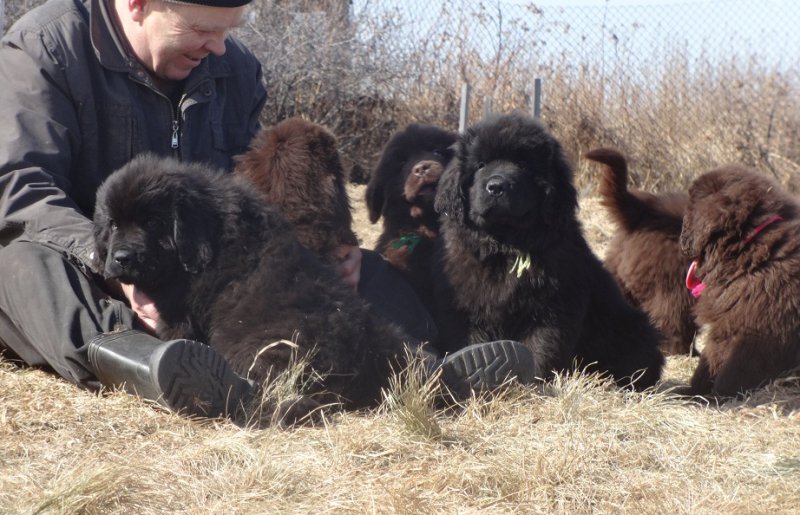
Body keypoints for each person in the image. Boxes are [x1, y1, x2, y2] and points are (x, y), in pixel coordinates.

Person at [0, 0, 535, 421]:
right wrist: (111, 264)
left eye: (227, 30)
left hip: (213, 275)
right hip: (90, 262)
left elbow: (255, 188)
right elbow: (21, 189)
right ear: (138, 4)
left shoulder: (233, 68)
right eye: (201, 30)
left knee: (369, 271)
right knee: (18, 263)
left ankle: (425, 373)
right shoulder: (46, 48)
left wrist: (320, 245)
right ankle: (148, 364)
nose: (218, 47)